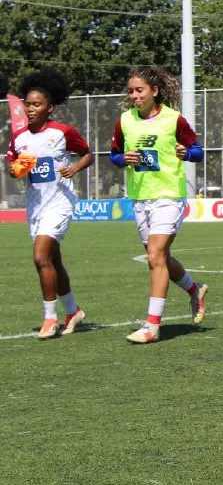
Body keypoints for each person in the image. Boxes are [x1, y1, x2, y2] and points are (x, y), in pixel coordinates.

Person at [110, 67, 207, 344]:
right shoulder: (125, 121)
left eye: (139, 90)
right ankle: (194, 289)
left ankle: (152, 326)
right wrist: (123, 160)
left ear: (155, 91)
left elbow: (198, 152)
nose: (134, 95)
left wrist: (186, 152)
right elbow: (114, 156)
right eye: (130, 91)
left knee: (155, 256)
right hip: (140, 198)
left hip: (169, 195)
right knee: (159, 257)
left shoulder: (174, 119)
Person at [5, 68, 94, 339]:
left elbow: (87, 154)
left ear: (50, 108)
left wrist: (75, 168)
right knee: (53, 261)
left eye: (37, 104)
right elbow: (12, 167)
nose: (30, 109)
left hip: (60, 202)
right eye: (27, 104)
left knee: (40, 257)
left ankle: (49, 319)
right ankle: (73, 311)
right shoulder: (19, 138)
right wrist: (16, 169)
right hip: (36, 206)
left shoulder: (62, 132)